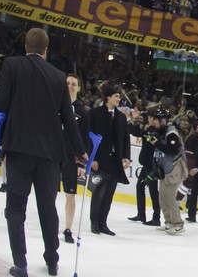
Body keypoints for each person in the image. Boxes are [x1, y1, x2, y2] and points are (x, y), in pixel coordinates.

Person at [0, 28, 86, 277]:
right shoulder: (58, 77)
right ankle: (52, 260)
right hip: (49, 154)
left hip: (19, 149)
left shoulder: (11, 66)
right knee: (47, 207)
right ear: (46, 50)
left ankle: (20, 263)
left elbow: (1, 106)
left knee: (15, 207)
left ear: (26, 46)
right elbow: (69, 120)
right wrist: (80, 151)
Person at [88, 85, 131, 236]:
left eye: (119, 96)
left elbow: (125, 138)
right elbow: (89, 135)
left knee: (109, 193)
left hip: (115, 160)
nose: (119, 99)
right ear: (108, 97)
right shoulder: (95, 113)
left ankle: (102, 223)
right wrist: (92, 159)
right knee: (98, 191)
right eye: (116, 96)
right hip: (100, 160)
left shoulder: (121, 117)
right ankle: (94, 222)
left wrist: (126, 157)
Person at [60, 73, 89, 244]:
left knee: (70, 194)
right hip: (53, 153)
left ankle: (68, 228)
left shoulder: (83, 112)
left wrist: (82, 163)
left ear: (79, 88)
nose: (70, 86)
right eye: (68, 83)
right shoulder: (56, 104)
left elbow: (85, 139)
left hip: (72, 158)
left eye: (73, 84)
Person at [151, 109, 187, 235]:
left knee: (169, 197)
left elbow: (172, 150)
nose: (153, 122)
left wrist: (157, 143)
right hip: (165, 168)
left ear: (163, 121)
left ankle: (178, 223)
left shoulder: (172, 133)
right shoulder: (162, 131)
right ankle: (169, 221)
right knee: (162, 197)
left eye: (156, 120)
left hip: (173, 169)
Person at [128, 112, 161, 226]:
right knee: (140, 186)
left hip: (151, 165)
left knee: (153, 190)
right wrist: (134, 122)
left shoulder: (154, 131)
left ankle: (156, 218)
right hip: (147, 165)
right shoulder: (149, 130)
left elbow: (137, 133)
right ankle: (141, 214)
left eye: (151, 117)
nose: (149, 119)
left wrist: (133, 123)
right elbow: (135, 132)